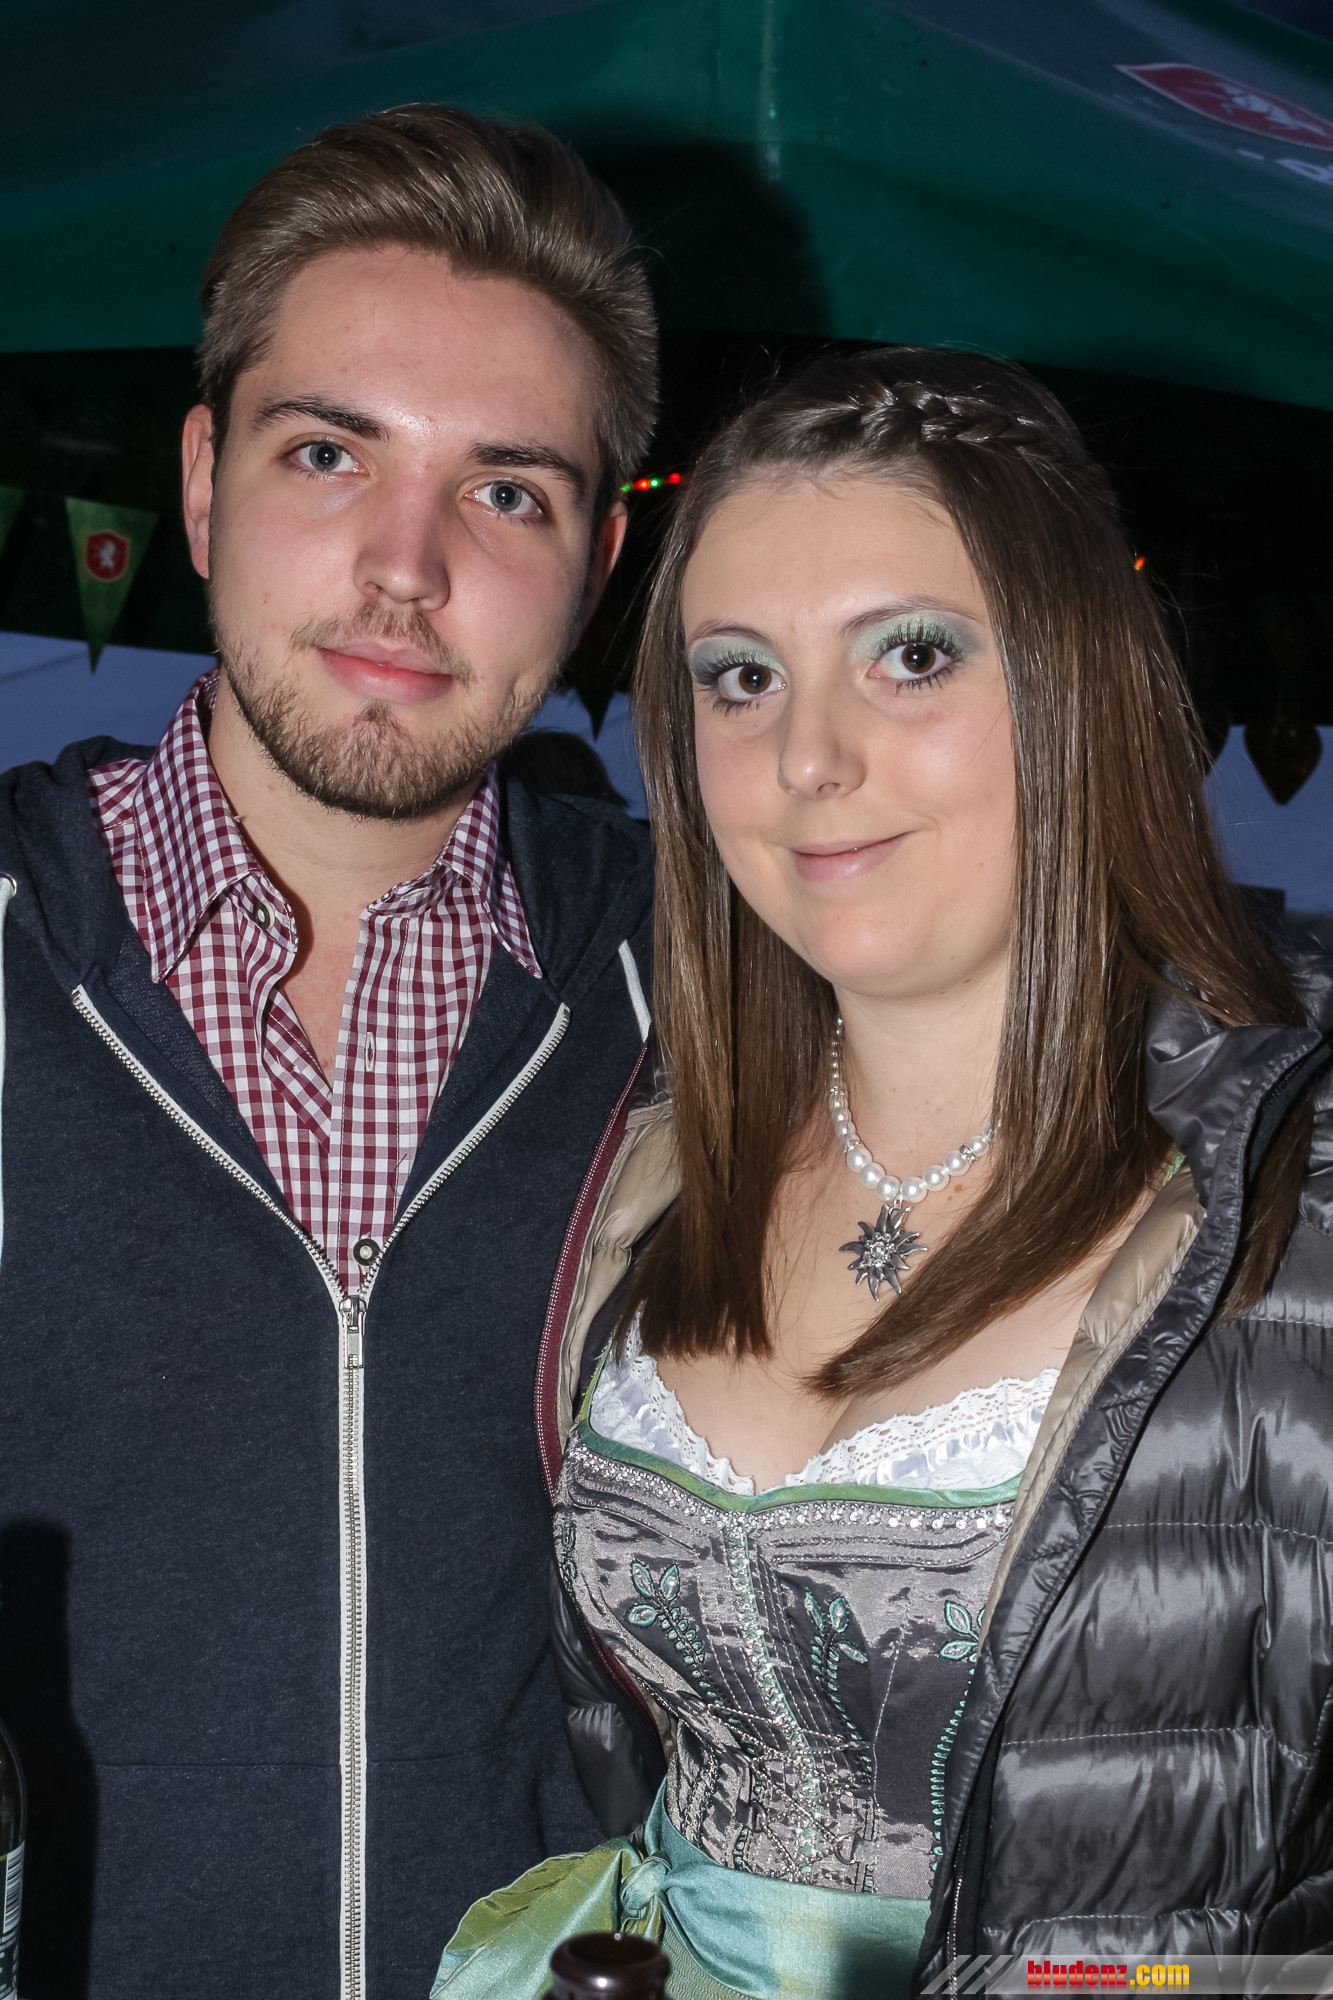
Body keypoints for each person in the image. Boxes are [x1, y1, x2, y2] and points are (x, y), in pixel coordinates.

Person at [435, 347, 1333, 1999]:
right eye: (739, 678)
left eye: (910, 656)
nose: (808, 757)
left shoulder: (1298, 1189)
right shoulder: (641, 1150)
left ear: (1074, 682)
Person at [0, 104, 659, 2000]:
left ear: (599, 560)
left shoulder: (709, 996)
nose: (406, 566)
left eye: (508, 492)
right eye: (327, 453)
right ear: (202, 484)